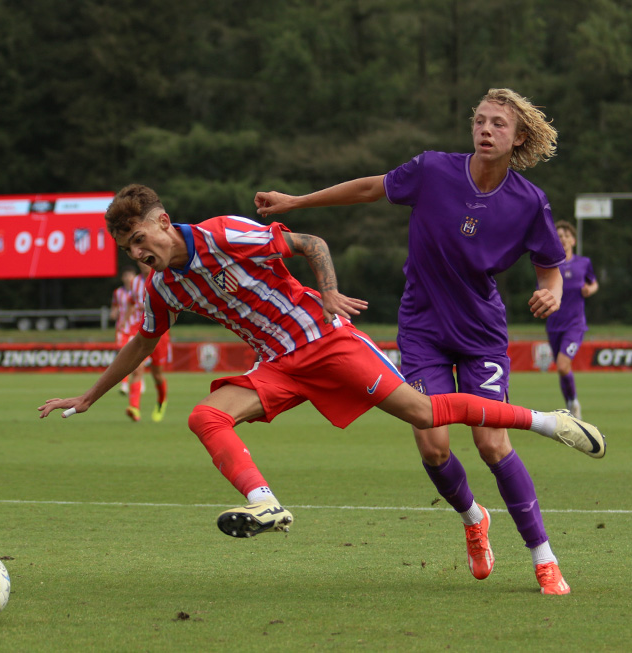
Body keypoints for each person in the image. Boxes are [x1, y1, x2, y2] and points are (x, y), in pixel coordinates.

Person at [39, 183, 605, 596]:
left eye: (140, 239)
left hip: (325, 340)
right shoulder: (163, 287)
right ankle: (265, 505)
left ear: (163, 222)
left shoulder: (222, 233)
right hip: (278, 365)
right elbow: (142, 343)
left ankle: (548, 422)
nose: (138, 254)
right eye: (128, 249)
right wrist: (89, 396)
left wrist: (329, 295)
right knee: (206, 417)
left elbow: (311, 242)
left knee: (424, 413)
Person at [253, 88, 592, 595]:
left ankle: (544, 559)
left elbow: (550, 269)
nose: (485, 129)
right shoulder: (433, 169)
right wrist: (297, 202)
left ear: (519, 137)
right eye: (479, 120)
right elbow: (370, 189)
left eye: (498, 123)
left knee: (491, 442)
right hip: (422, 329)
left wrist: (551, 292)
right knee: (433, 448)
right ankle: (474, 518)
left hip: (480, 334)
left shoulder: (529, 202)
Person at [546, 220, 598, 418]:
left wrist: (589, 290)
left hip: (575, 324)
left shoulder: (583, 263)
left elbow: (593, 283)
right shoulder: (549, 264)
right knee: (562, 369)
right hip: (553, 324)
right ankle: (570, 404)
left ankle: (574, 403)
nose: (563, 239)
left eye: (566, 236)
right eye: (559, 236)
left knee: (562, 365)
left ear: (573, 240)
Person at [127, 261, 171, 422]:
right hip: (140, 330)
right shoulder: (135, 282)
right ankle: (134, 407)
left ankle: (161, 401)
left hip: (160, 332)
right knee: (136, 368)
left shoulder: (163, 277)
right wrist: (126, 323)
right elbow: (132, 302)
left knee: (157, 374)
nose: (142, 263)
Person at [110, 266, 140, 397]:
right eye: (126, 276)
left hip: (135, 327)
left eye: (131, 275)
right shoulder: (118, 292)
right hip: (122, 328)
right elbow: (115, 306)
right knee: (123, 354)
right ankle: (124, 384)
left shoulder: (139, 290)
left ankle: (138, 378)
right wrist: (113, 314)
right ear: (123, 278)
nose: (128, 278)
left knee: (135, 355)